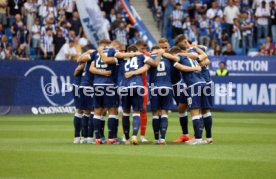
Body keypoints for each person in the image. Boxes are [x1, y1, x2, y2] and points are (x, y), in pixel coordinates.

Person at [90, 40, 141, 145]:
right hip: (109, 84)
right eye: (120, 48)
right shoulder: (113, 51)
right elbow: (116, 57)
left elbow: (91, 68)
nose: (121, 51)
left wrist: (101, 72)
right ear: (116, 45)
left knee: (97, 111)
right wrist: (134, 53)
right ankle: (111, 138)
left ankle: (98, 138)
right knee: (112, 111)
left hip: (96, 84)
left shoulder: (96, 53)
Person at [172, 46, 207, 145]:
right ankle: (199, 138)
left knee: (194, 111)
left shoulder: (179, 58)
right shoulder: (191, 57)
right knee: (199, 111)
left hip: (193, 85)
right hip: (203, 83)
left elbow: (182, 67)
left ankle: (198, 139)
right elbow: (200, 55)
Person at [119, 45, 152, 145]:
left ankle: (126, 138)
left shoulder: (121, 58)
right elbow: (151, 62)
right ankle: (134, 136)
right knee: (137, 112)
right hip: (137, 86)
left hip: (125, 87)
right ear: (136, 51)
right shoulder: (141, 56)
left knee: (125, 112)